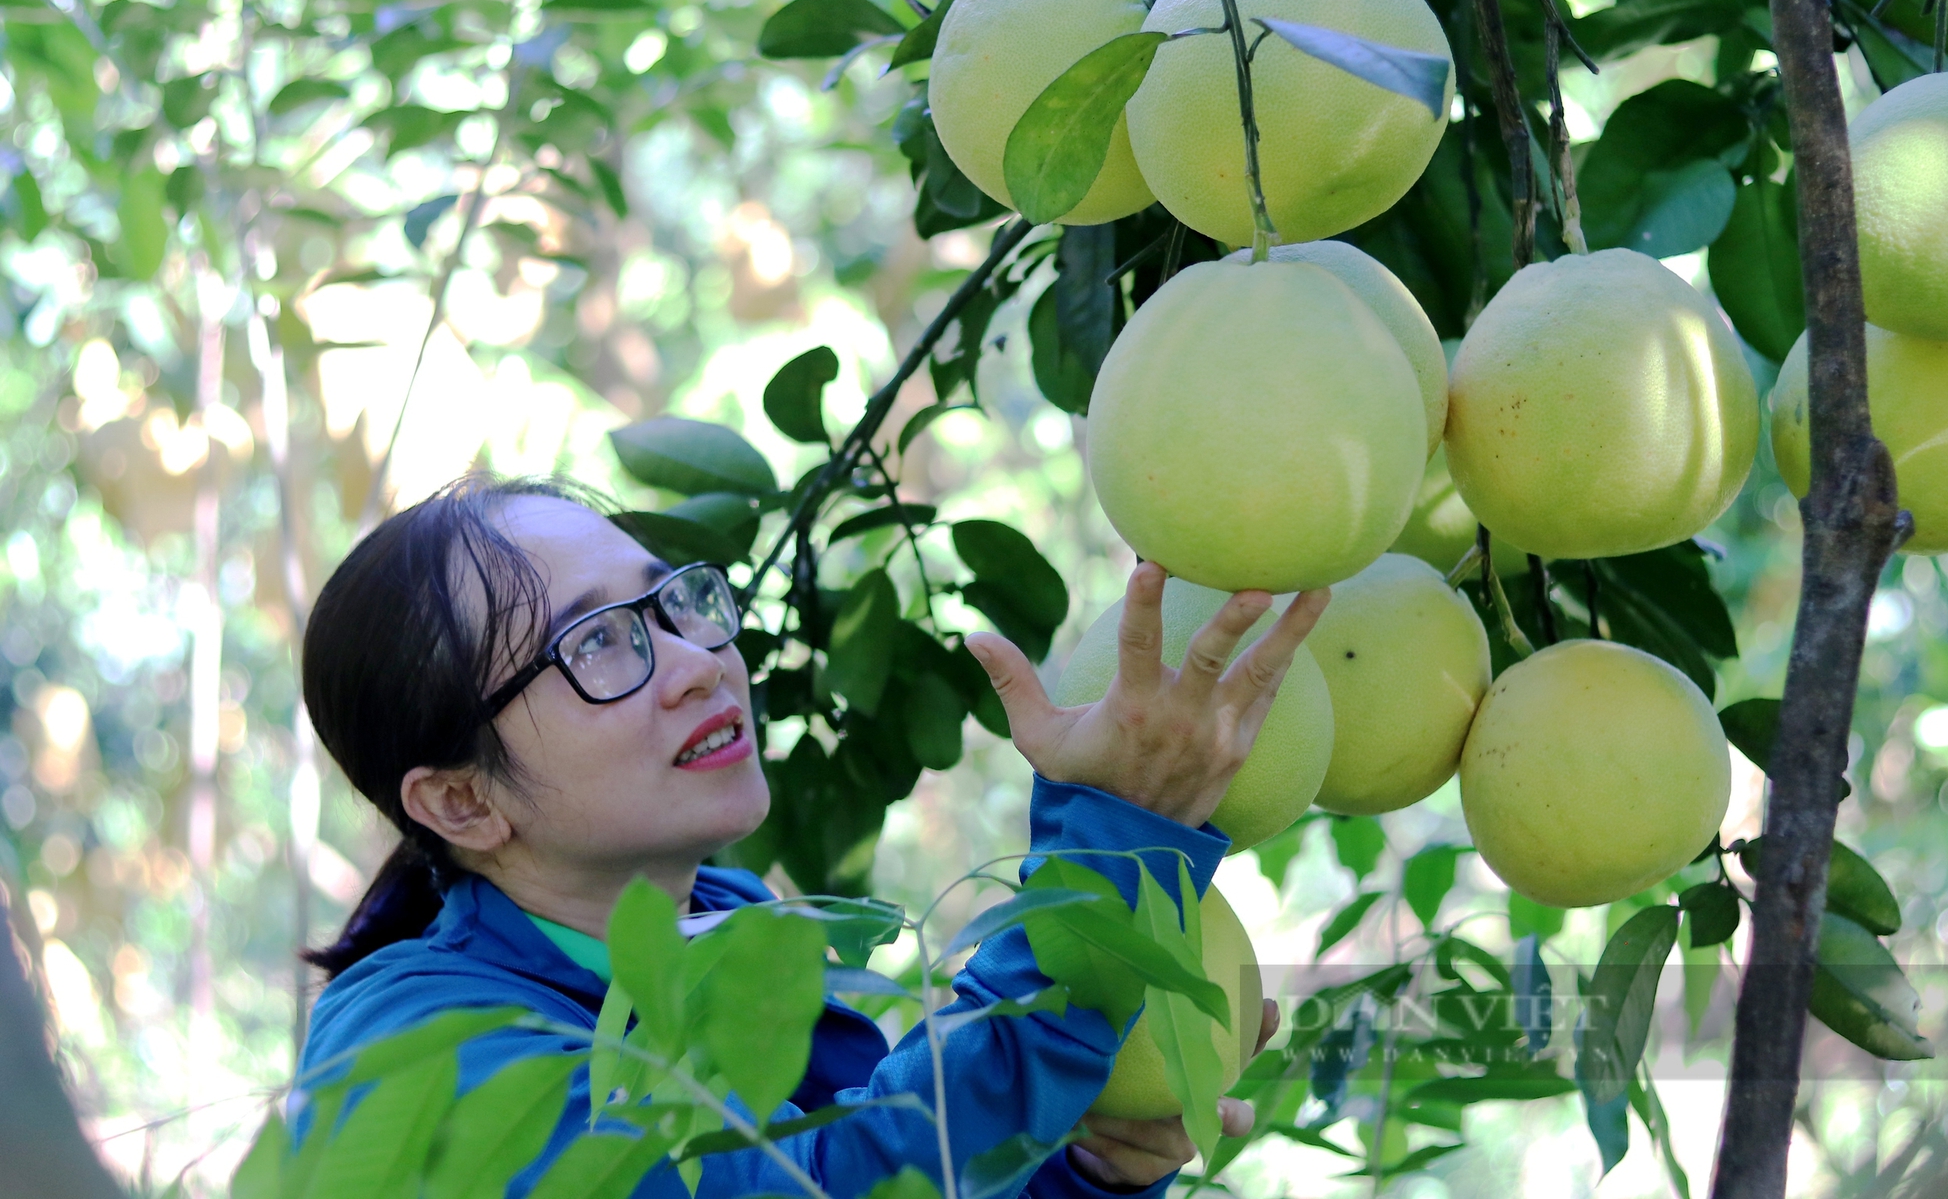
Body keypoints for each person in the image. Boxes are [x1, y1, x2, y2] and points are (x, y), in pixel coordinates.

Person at [297, 473, 1328, 1198]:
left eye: (672, 602)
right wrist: (1110, 851)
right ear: (462, 801)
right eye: (598, 641)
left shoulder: (740, 930)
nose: (699, 661)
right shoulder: (406, 1050)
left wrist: (1089, 1172)